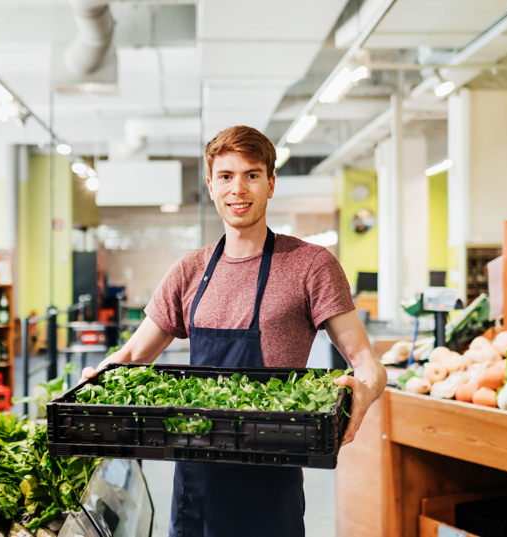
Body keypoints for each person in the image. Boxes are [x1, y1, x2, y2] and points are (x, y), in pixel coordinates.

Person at [81, 125, 387, 537]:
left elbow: (366, 362)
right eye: (226, 176)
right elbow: (134, 357)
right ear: (210, 185)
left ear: (270, 183)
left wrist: (364, 392)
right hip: (197, 480)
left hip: (273, 475)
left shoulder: (310, 265)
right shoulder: (189, 271)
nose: (238, 189)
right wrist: (96, 381)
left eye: (251, 175)